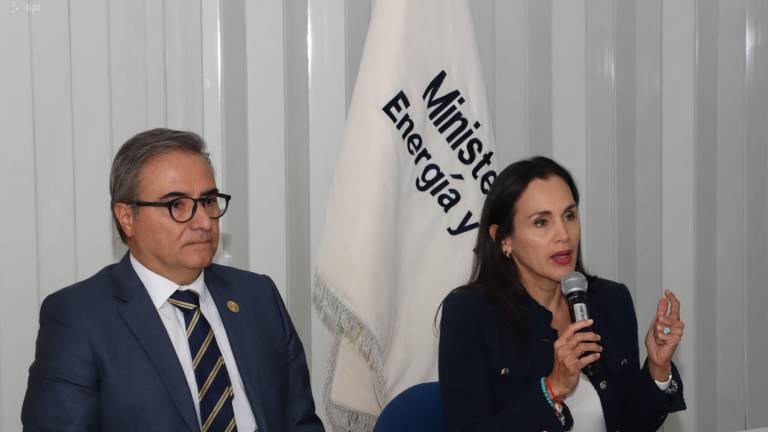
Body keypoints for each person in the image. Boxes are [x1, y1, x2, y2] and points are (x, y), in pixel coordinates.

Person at [22, 128, 324, 432]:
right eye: (177, 205)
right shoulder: (79, 317)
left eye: (208, 201)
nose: (204, 222)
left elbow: (300, 423)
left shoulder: (257, 296)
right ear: (127, 217)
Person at [438, 156, 686, 431]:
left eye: (569, 216)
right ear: (503, 239)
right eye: (541, 222)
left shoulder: (610, 301)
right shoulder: (469, 314)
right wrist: (552, 389)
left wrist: (657, 368)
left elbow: (631, 424)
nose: (563, 235)